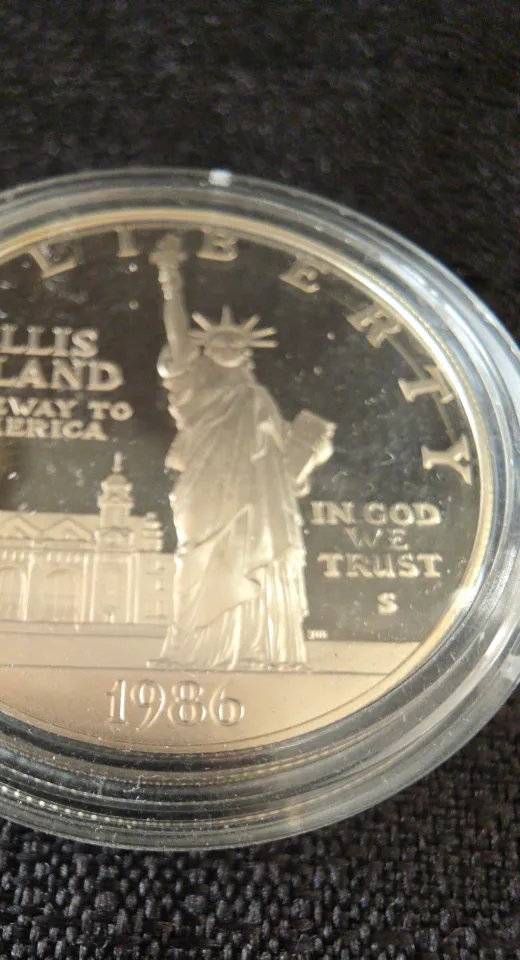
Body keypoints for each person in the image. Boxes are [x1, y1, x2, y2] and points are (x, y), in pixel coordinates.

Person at [150, 232, 335, 671]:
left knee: (258, 557)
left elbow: (284, 448)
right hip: (204, 483)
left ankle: (258, 649)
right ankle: (191, 648)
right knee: (195, 554)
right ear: (205, 348)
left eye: (238, 343)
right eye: (219, 342)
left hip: (259, 493)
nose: (229, 346)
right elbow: (178, 337)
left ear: (249, 351)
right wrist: (170, 281)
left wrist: (313, 450)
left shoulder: (258, 396)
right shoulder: (191, 385)